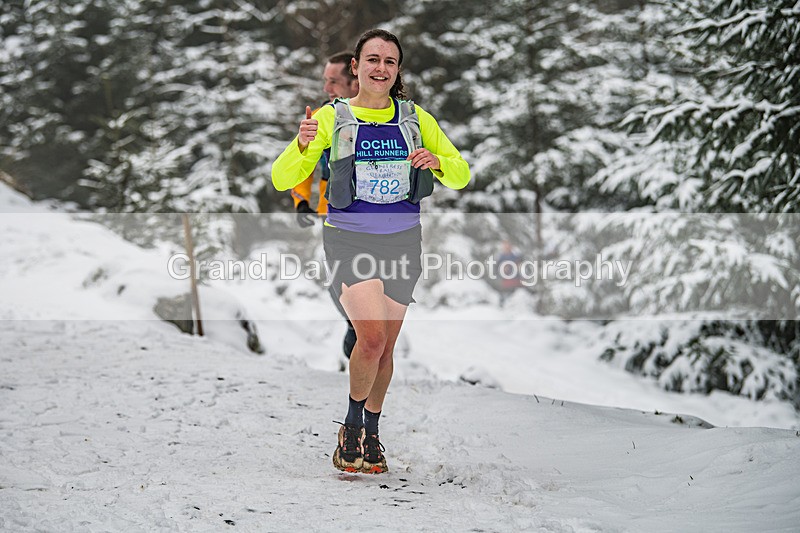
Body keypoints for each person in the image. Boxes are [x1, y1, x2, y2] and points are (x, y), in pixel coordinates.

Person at [272, 28, 470, 474]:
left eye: (390, 61)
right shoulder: (331, 117)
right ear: (356, 66)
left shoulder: (416, 119)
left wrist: (439, 162)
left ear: (397, 70)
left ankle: (373, 431)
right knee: (372, 338)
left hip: (403, 240)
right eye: (373, 60)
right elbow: (282, 178)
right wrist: (302, 145)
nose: (381, 68)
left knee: (386, 348)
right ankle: (351, 425)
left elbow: (461, 173)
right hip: (350, 239)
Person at [290, 52, 360, 363]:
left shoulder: (382, 114)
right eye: (325, 81)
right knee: (339, 276)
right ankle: (353, 323)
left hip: (379, 213)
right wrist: (301, 201)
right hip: (332, 211)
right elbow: (302, 162)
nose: (326, 88)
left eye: (334, 81)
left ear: (354, 81)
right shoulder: (321, 117)